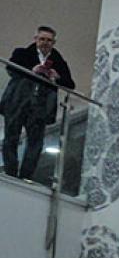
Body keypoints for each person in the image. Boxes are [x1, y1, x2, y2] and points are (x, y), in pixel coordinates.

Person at [1, 26, 73, 180]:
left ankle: (26, 175)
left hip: (40, 106)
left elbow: (70, 84)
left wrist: (56, 76)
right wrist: (31, 70)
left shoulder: (58, 61)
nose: (45, 43)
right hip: (18, 101)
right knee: (11, 137)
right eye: (42, 39)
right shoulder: (21, 53)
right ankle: (10, 172)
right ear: (35, 39)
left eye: (48, 40)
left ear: (54, 42)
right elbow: (11, 69)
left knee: (36, 143)